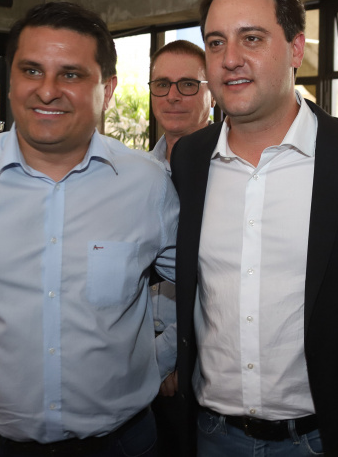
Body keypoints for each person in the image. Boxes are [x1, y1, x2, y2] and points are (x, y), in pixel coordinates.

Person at [0, 1, 178, 457]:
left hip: (123, 444)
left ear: (107, 89)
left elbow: (203, 284)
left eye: (70, 74)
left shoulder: (147, 184)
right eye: (31, 70)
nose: (47, 91)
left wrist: (162, 357)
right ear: (11, 80)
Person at [171, 0, 338, 457]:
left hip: (326, 440)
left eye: (252, 39)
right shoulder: (190, 161)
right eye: (216, 43)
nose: (231, 59)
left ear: (296, 50)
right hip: (212, 437)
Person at [147, 39, 213, 457]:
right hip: (133, 365)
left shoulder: (229, 174)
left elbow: (214, 280)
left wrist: (171, 357)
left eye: (188, 84)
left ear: (212, 92)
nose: (173, 95)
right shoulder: (135, 173)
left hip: (194, 365)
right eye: (162, 84)